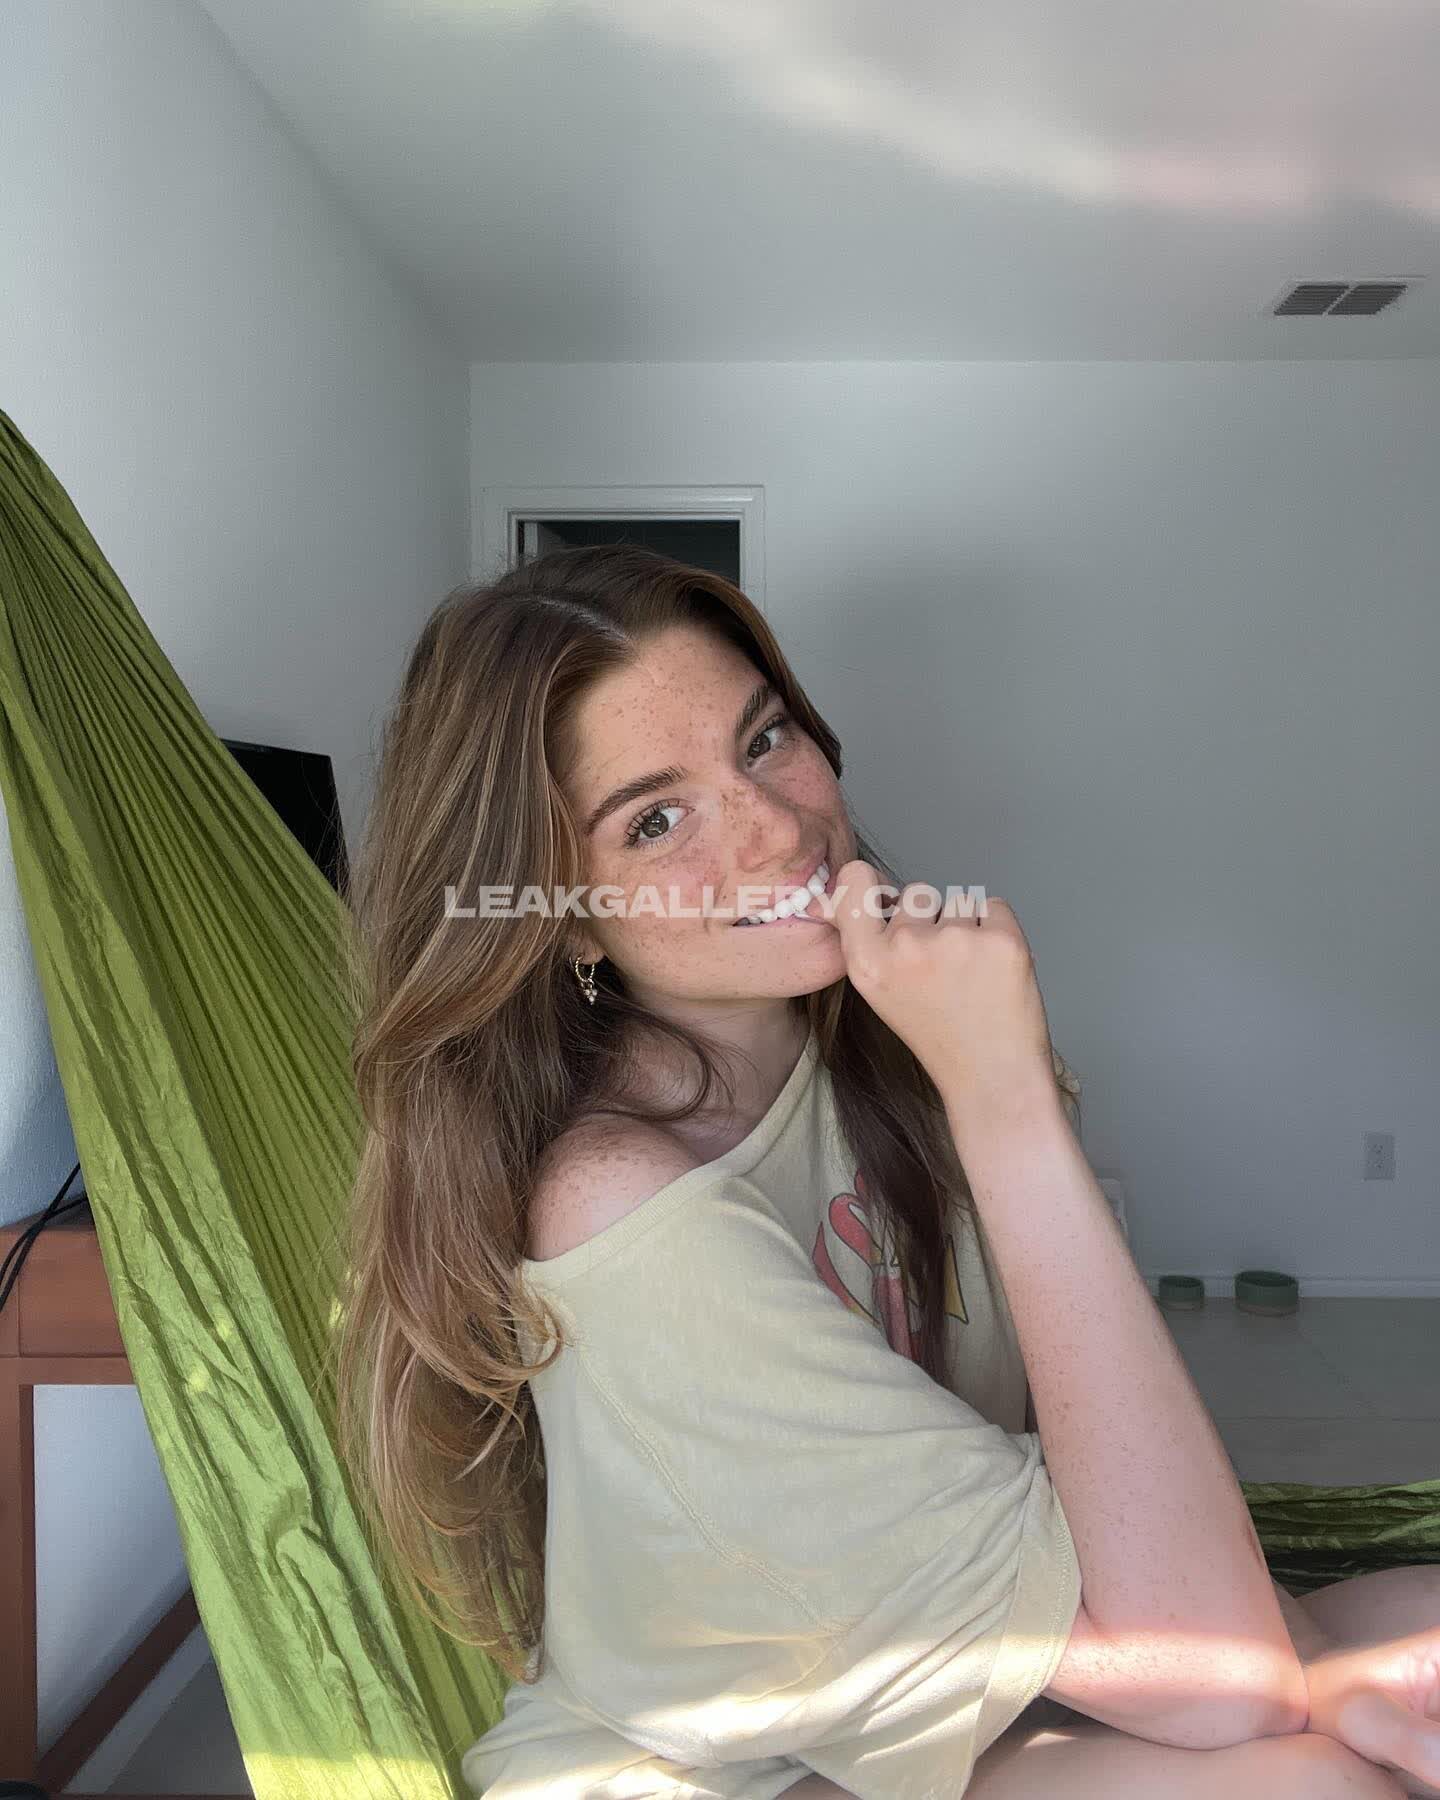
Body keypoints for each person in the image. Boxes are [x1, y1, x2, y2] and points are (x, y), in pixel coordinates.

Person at [337, 545, 1437, 1798]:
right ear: (565, 917)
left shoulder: (884, 1043)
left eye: (763, 741)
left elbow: (1109, 1479)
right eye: (654, 819)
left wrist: (1317, 1668)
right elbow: (1210, 1677)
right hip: (707, 1767)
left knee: (1416, 1637)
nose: (776, 827)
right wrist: (1006, 1104)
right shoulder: (627, 1209)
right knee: (1312, 1783)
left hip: (939, 1662)